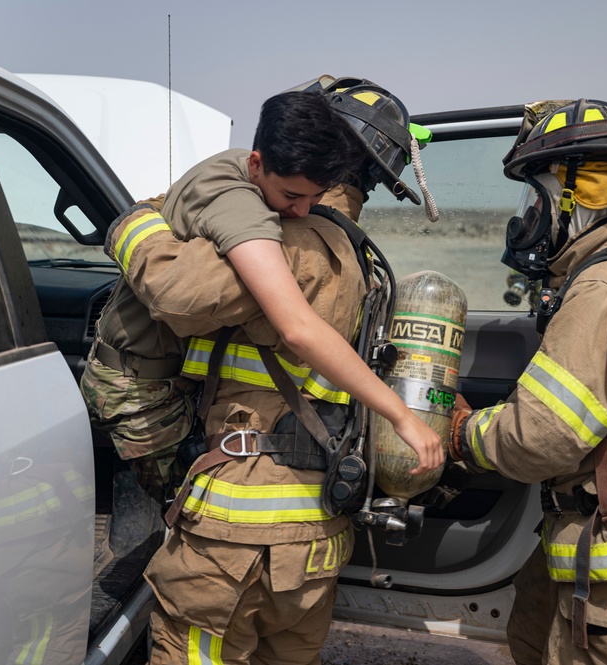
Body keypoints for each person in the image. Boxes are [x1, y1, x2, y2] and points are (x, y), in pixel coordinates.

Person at [98, 78, 442, 664]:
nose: (298, 208)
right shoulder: (357, 257)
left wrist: (138, 221)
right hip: (318, 535)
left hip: (233, 533)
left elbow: (178, 293)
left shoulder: (279, 246)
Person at [81, 86, 441, 505]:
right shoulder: (241, 206)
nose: (303, 211)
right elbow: (297, 328)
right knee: (186, 508)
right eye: (292, 196)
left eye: (316, 197)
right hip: (139, 388)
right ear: (257, 163)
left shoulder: (250, 177)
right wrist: (400, 416)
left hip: (166, 376)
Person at [448, 99, 607, 665]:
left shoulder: (606, 294)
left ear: (576, 198)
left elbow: (542, 437)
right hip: (601, 546)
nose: (525, 217)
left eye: (534, 197)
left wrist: (463, 433)